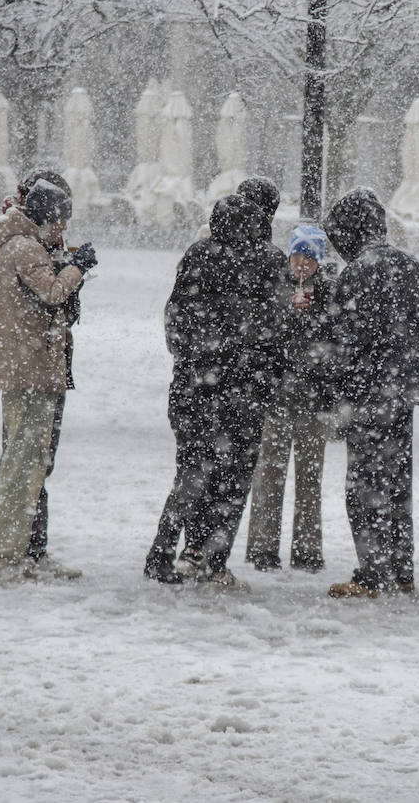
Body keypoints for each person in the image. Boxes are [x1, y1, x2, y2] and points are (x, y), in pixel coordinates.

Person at [144, 193, 285, 589]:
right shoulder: (269, 261)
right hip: (244, 393)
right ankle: (212, 559)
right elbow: (278, 329)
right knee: (233, 480)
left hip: (195, 390)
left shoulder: (198, 255)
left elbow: (175, 320)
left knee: (191, 474)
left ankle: (163, 552)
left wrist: (196, 359)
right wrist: (264, 372)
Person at [319, 188, 419, 599]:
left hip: (369, 392)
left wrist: (333, 378)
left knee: (364, 483)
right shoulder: (408, 263)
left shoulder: (357, 271)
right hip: (403, 389)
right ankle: (402, 570)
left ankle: (371, 574)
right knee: (397, 480)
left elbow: (346, 338)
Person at [0, 178, 98, 585]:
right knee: (22, 469)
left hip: (27, 369)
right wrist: (78, 268)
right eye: (60, 221)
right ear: (46, 217)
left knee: (26, 467)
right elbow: (49, 292)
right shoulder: (25, 248)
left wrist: (67, 265)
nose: (63, 229)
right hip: (29, 371)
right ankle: (2, 559)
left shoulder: (20, 245)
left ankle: (16, 553)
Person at [245, 226, 338, 573]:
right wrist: (287, 312)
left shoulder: (330, 292)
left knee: (310, 477)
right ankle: (262, 547)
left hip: (315, 399)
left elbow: (334, 341)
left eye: (309, 257)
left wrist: (313, 318)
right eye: (297, 256)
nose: (302, 264)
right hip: (278, 396)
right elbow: (261, 332)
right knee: (269, 474)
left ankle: (308, 549)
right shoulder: (275, 287)